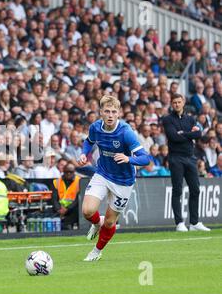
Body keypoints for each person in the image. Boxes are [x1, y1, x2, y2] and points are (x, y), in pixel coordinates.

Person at [78, 95, 150, 261]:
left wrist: (128, 159)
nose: (110, 115)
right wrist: (84, 153)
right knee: (87, 211)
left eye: (113, 112)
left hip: (123, 181)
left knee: (110, 223)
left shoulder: (126, 132)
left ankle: (96, 252)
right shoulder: (96, 127)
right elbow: (88, 141)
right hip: (103, 173)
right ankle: (97, 223)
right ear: (101, 112)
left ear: (119, 114)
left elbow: (145, 158)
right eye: (107, 111)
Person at [162, 93, 210, 232]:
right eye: (174, 102)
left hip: (190, 157)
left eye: (179, 102)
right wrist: (189, 134)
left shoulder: (190, 119)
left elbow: (199, 134)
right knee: (177, 190)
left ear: (183, 103)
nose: (177, 104)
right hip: (176, 158)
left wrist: (183, 133)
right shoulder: (168, 119)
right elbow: (173, 137)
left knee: (195, 189)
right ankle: (179, 223)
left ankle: (194, 222)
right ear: (172, 104)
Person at [52, 163, 80, 230]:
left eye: (71, 172)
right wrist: (58, 208)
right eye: (67, 172)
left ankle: (67, 225)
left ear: (74, 172)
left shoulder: (79, 181)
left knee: (79, 209)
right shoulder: (57, 182)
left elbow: (78, 199)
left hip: (72, 208)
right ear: (63, 172)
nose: (68, 174)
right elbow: (54, 198)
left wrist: (67, 208)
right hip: (59, 209)